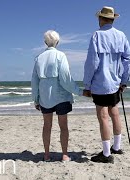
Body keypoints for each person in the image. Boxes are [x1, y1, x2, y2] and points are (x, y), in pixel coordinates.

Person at [83, 6, 130, 163]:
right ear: (112, 19)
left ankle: (106, 154)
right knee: (115, 113)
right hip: (115, 83)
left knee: (103, 116)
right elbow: (128, 61)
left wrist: (87, 85)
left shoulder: (97, 35)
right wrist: (124, 81)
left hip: (100, 83)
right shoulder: (121, 35)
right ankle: (117, 147)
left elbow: (92, 63)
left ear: (101, 19)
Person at [31, 30, 88, 162]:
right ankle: (64, 154)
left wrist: (36, 99)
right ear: (58, 42)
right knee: (63, 126)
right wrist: (79, 91)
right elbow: (65, 79)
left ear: (45, 42)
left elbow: (34, 81)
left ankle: (46, 155)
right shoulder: (60, 55)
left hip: (45, 97)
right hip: (61, 96)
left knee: (47, 125)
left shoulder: (39, 58)